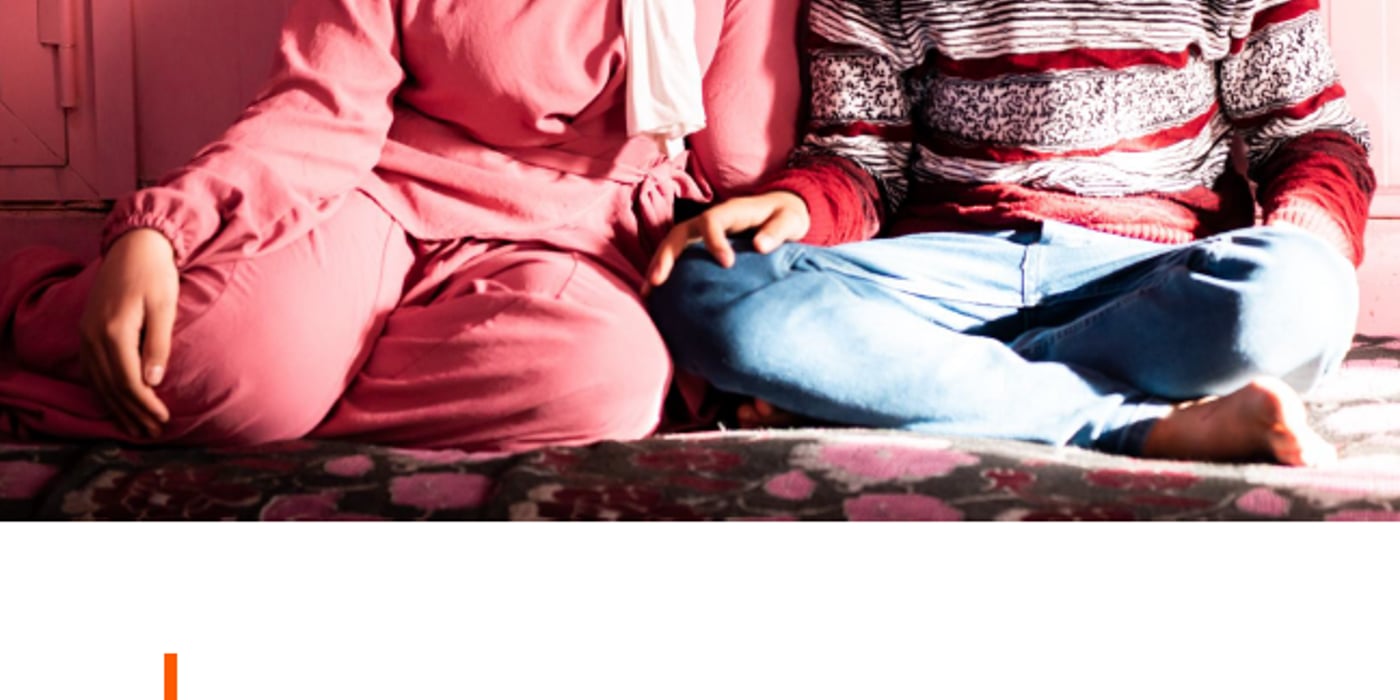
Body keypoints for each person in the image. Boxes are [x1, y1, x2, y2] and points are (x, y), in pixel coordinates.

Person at [0, 0, 801, 453]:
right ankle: (35, 304)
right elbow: (317, 113)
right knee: (192, 367)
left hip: (581, 234)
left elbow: (741, 167)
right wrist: (159, 231)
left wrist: (764, 335)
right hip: (381, 185)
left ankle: (293, 388)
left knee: (606, 381)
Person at [646, 0, 1375, 467]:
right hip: (946, 270)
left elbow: (1312, 139)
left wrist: (1305, 248)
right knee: (707, 282)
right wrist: (797, 205)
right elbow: (861, 159)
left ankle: (891, 384)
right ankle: (1129, 424)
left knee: (1298, 298)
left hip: (1151, 273)